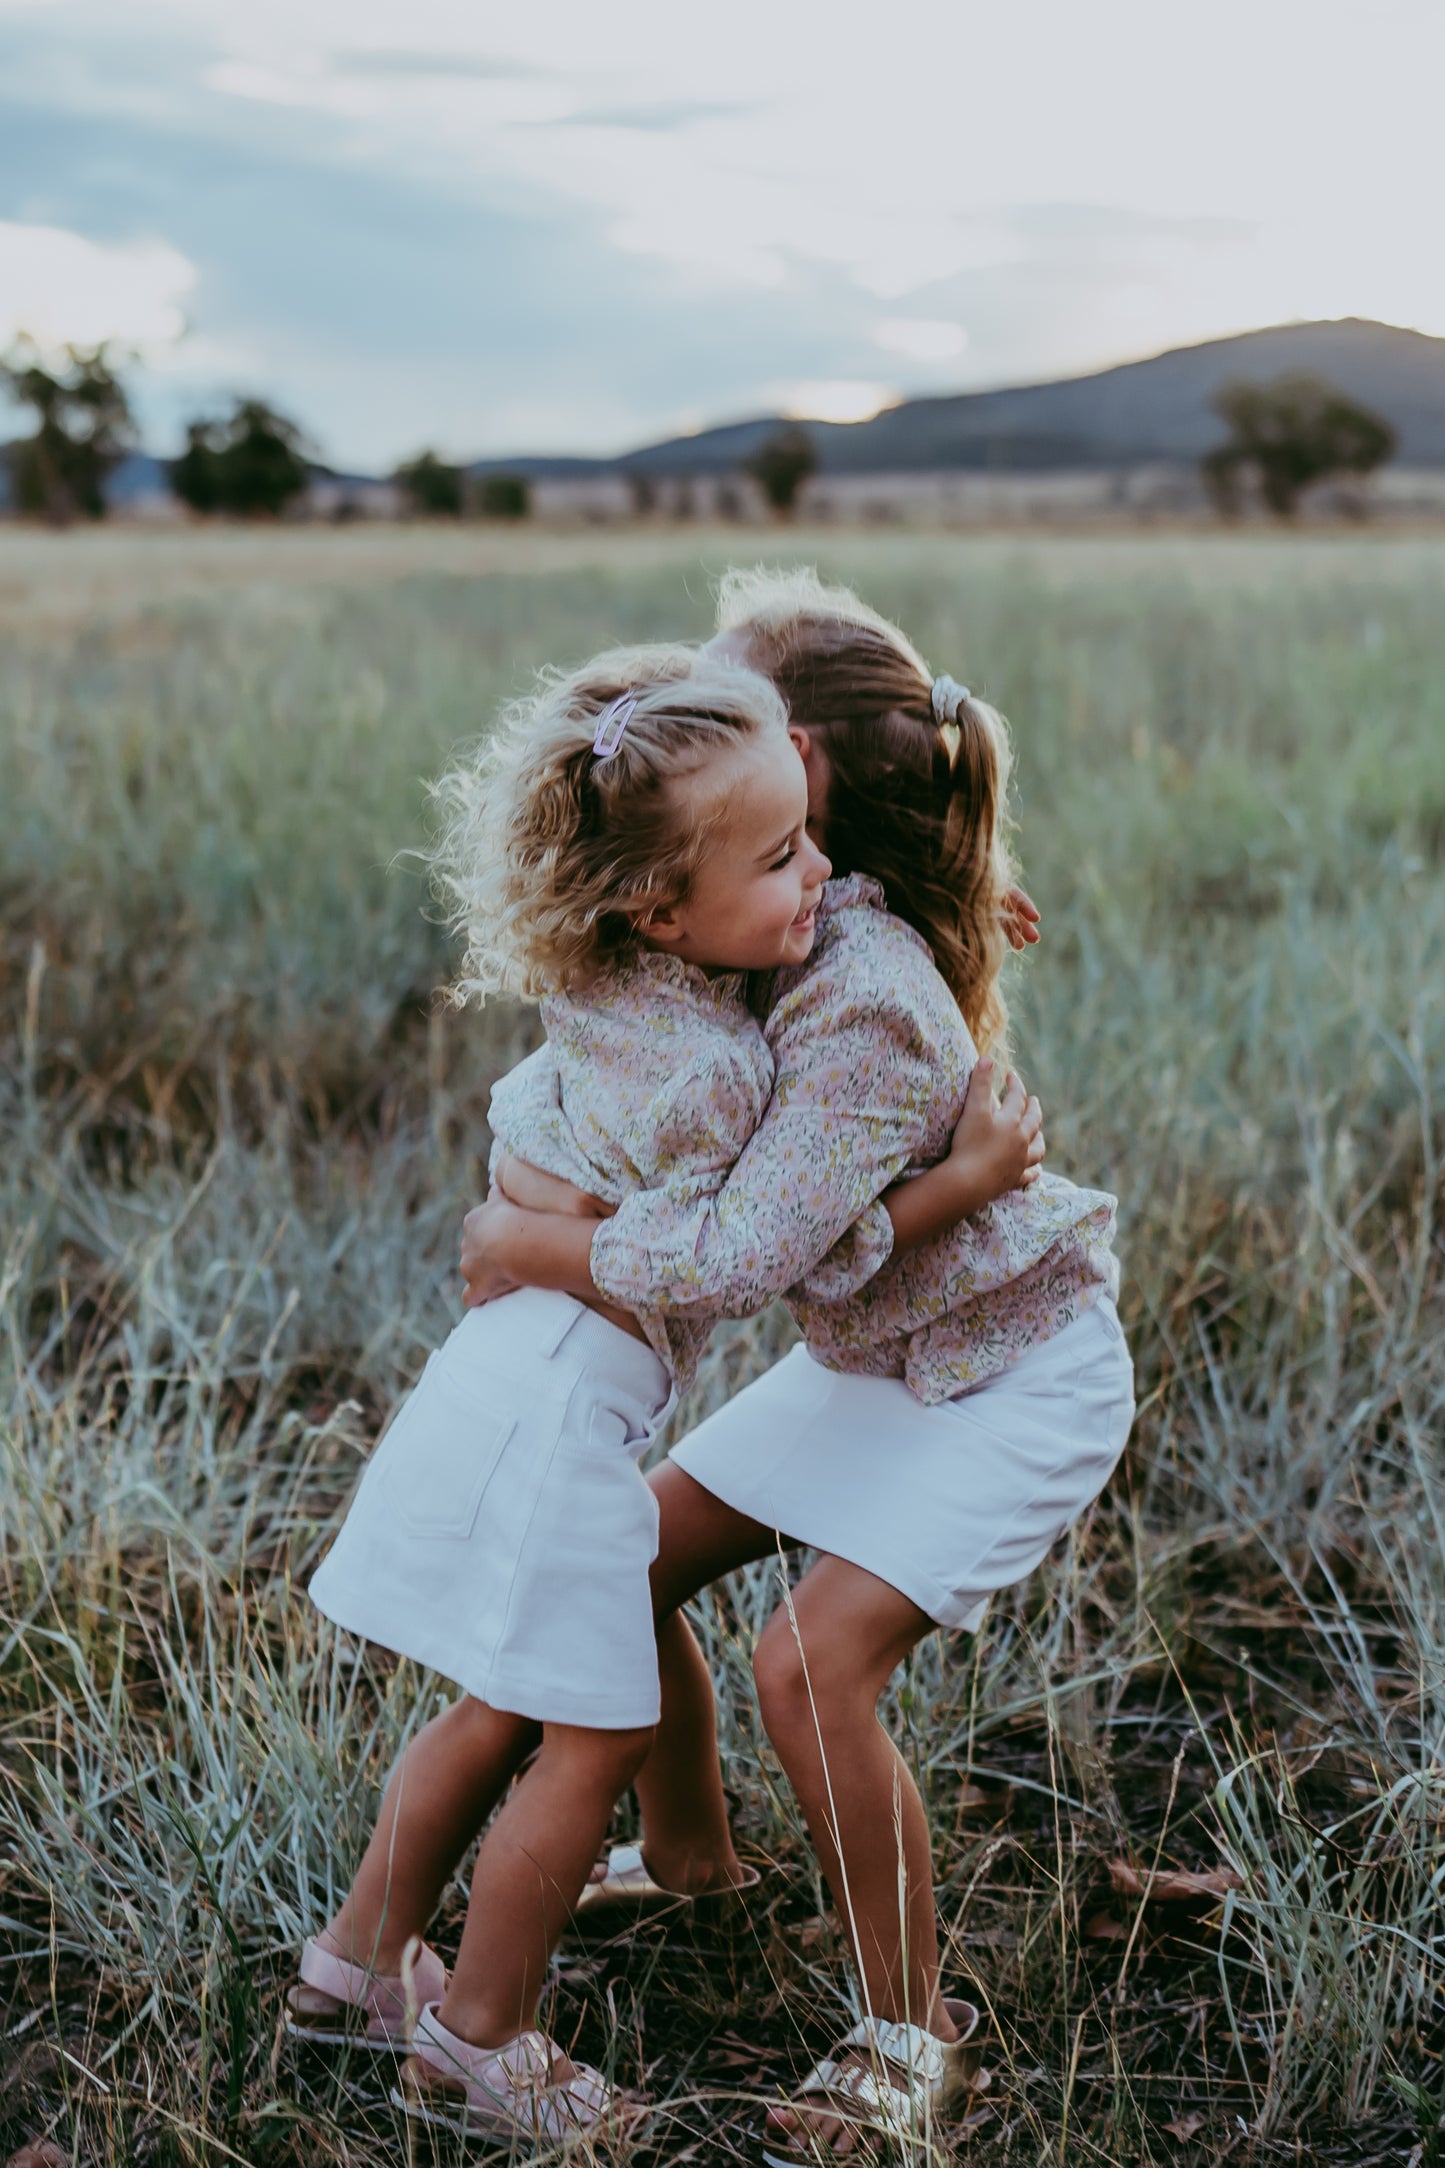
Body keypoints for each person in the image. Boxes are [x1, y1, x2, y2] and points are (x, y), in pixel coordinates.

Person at [291, 638, 1043, 2148]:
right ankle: (480, 2038)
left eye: (816, 840)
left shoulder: (617, 972)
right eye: (781, 857)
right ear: (660, 902)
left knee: (495, 1705)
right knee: (586, 1743)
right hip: (571, 1403)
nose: (816, 879)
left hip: (506, 1386)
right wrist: (955, 1174)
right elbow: (734, 1257)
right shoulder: (716, 1067)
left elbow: (690, 956)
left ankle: (356, 1963)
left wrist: (911, 906)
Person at [463, 567, 1134, 2162]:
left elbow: (743, 1259)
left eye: (728, 711)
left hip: (1006, 1366)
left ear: (802, 783)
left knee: (806, 1665)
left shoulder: (865, 1007)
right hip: (883, 1342)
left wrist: (531, 1246)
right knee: (625, 1553)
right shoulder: (761, 903)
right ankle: (692, 1857)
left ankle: (913, 2035)